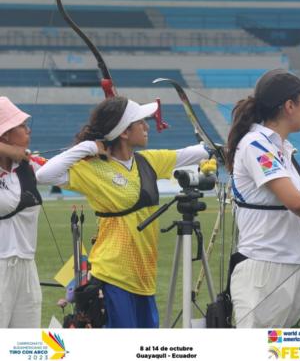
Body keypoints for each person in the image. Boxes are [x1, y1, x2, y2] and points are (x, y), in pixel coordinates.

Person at [36, 96, 210, 328]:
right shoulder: (92, 168)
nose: (147, 127)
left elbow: (192, 153)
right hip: (112, 273)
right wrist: (87, 147)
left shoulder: (148, 161)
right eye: (141, 122)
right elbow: (43, 176)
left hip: (143, 275)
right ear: (125, 133)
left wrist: (214, 152)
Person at [225, 69, 300, 328]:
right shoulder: (256, 144)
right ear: (289, 106)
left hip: (290, 269)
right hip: (263, 274)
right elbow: (295, 203)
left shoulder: (280, 148)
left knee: (295, 353)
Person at [0, 96, 45, 328]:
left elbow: (62, 167)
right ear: (5, 134)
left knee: (24, 345)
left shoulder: (28, 166)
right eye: (21, 126)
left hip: (27, 265)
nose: (28, 131)